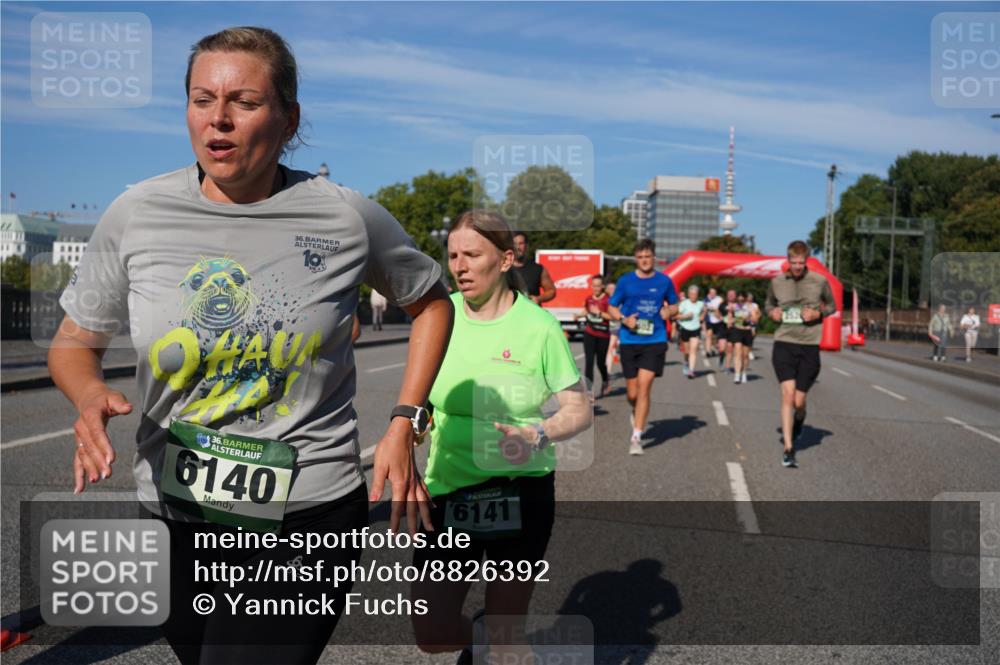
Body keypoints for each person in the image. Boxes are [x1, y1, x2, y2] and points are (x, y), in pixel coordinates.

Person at [47, 27, 453, 665]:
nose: (219, 120)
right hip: (174, 509)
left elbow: (430, 301)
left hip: (305, 513)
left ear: (289, 118)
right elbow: (74, 342)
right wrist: (90, 392)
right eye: (202, 99)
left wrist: (405, 419)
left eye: (245, 101)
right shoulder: (137, 211)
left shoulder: (345, 216)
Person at [411, 210, 591, 662]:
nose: (459, 266)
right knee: (431, 634)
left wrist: (540, 431)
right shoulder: (438, 316)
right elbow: (418, 397)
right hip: (448, 493)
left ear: (506, 259)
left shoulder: (540, 328)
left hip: (520, 493)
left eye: (472, 254)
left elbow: (579, 409)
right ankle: (482, 640)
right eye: (453, 255)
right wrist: (414, 424)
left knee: (508, 635)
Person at [765, 240, 836, 468]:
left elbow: (832, 306)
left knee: (799, 400)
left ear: (807, 261)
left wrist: (818, 314)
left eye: (801, 263)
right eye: (793, 262)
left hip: (809, 345)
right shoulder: (776, 282)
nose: (797, 267)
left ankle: (799, 419)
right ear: (787, 261)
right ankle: (788, 448)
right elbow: (768, 306)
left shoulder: (819, 281)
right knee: (787, 395)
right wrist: (772, 313)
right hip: (784, 343)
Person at [608, 239, 679, 456]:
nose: (644, 261)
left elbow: (675, 304)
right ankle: (635, 409)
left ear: (653, 258)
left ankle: (636, 437)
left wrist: (669, 312)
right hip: (630, 340)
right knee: (632, 392)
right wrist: (623, 318)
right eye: (640, 257)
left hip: (654, 340)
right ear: (636, 259)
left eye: (648, 256)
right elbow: (612, 307)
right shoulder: (626, 281)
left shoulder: (664, 281)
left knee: (644, 385)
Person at [576, 274, 612, 397]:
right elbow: (587, 310)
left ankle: (606, 380)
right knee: (589, 362)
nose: (595, 288)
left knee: (601, 363)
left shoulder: (608, 300)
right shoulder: (589, 299)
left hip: (603, 335)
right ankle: (589, 392)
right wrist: (579, 315)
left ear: (602, 286)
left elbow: (612, 316)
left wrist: (600, 313)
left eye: (598, 286)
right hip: (590, 333)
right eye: (594, 286)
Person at [509, 231, 556, 304]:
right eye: (515, 244)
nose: (518, 247)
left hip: (531, 312)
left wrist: (539, 298)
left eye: (521, 243)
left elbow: (551, 291)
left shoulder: (538, 268)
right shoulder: (503, 269)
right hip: (509, 312)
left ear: (526, 246)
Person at [676, 285, 705, 379]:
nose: (693, 296)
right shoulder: (684, 303)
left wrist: (702, 316)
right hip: (685, 328)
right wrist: (685, 316)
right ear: (688, 294)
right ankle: (686, 362)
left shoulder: (701, 304)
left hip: (696, 329)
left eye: (695, 294)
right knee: (687, 352)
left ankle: (691, 371)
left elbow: (705, 310)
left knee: (694, 350)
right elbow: (676, 316)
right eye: (692, 294)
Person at [717, 289, 739, 373]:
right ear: (727, 295)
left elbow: (741, 315)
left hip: (733, 328)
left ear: (735, 296)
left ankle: (727, 367)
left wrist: (734, 320)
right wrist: (720, 317)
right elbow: (718, 312)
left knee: (730, 348)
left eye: (733, 294)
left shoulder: (738, 305)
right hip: (723, 327)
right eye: (729, 294)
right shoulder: (722, 304)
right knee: (722, 348)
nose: (731, 296)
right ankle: (721, 358)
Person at [604, 281, 620, 389]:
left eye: (613, 288)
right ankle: (608, 371)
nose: (611, 289)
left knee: (611, 348)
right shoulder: (604, 299)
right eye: (609, 287)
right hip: (606, 327)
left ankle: (608, 372)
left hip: (617, 326)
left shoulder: (619, 299)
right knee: (608, 349)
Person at [704, 287, 724, 359]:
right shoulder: (706, 299)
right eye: (711, 292)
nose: (712, 294)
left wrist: (717, 310)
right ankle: (708, 351)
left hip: (718, 320)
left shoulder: (720, 299)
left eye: (714, 293)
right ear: (709, 293)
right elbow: (705, 308)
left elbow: (722, 308)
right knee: (709, 334)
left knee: (716, 337)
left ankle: (714, 347)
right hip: (709, 320)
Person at [745, 291, 760, 361]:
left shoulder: (755, 305)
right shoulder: (743, 305)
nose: (750, 298)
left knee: (752, 337)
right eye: (748, 297)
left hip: (753, 323)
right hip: (745, 323)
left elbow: (758, 313)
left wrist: (756, 317)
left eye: (751, 297)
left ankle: (749, 351)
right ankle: (747, 351)